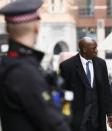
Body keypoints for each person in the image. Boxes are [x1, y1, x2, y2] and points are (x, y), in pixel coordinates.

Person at [0, 0, 71, 131]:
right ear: (36, 28)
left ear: (8, 30)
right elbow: (53, 124)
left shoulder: (8, 64)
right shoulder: (24, 72)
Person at [59, 37, 112, 131]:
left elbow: (106, 89)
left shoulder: (101, 64)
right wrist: (65, 116)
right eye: (94, 48)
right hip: (78, 119)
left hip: (97, 117)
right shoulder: (67, 66)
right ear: (84, 49)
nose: (96, 51)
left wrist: (110, 113)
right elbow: (64, 93)